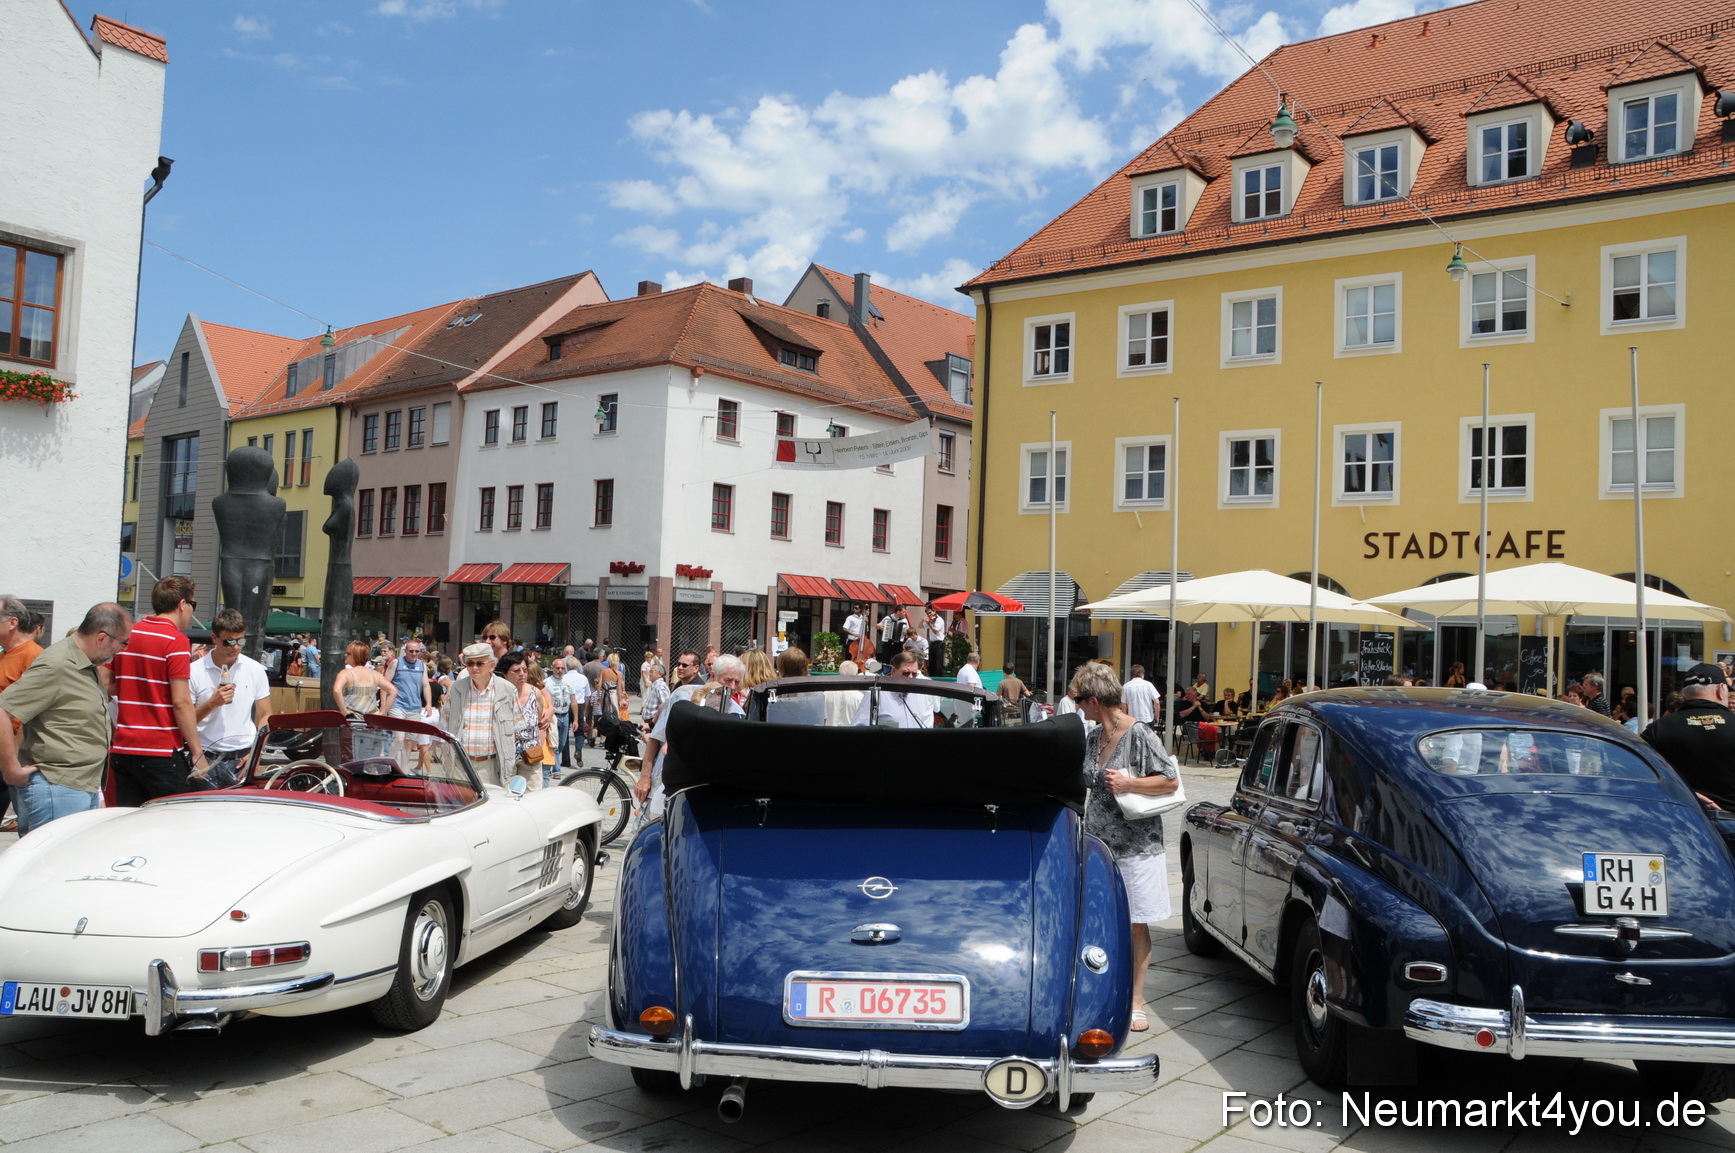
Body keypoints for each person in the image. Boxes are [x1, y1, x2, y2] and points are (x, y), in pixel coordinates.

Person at [1072, 661, 1180, 1034]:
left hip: (1137, 846)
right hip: (1098, 846)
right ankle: (1101, 995)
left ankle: (1135, 1002)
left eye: (1080, 700)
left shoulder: (1139, 733)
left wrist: (1130, 783)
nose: (1077, 706)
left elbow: (1170, 780)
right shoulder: (1093, 737)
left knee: (1135, 925)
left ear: (1095, 700)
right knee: (1099, 922)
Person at [0, 604, 132, 832]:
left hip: (76, 786)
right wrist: (11, 770)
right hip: (57, 788)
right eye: (123, 642)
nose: (122, 650)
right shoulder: (57, 664)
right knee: (52, 855)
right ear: (102, 638)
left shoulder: (85, 663)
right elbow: (3, 710)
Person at [111, 575, 209, 804]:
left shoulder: (129, 633)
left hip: (124, 747)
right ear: (182, 604)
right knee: (172, 817)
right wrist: (197, 751)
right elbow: (181, 702)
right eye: (193, 604)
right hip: (160, 749)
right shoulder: (175, 640)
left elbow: (107, 683)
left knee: (131, 818)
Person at [188, 608, 272, 787]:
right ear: (214, 638)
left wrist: (256, 753)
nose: (236, 646)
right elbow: (186, 721)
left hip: (243, 756)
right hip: (206, 755)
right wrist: (212, 704)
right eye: (229, 641)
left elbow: (266, 715)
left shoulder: (254, 669)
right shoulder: (194, 671)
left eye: (241, 641)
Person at [1642, 663, 1735, 810]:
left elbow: (1638, 773)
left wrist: (1687, 794)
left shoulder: (1659, 728)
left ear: (1684, 693)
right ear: (1721, 689)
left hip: (1681, 815)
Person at [0, 597, 46, 830]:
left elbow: (30, 712)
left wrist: (13, 759)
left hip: (12, 755)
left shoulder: (32, 656)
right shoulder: (6, 654)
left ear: (12, 623)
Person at [445, 642, 517, 787]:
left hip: (491, 766)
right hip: (461, 764)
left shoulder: (507, 690)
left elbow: (518, 727)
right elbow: (445, 723)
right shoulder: (456, 689)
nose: (474, 668)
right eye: (470, 663)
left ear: (492, 666)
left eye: (479, 663)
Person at [852, 650, 935, 728]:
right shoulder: (876, 695)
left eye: (914, 674)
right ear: (893, 671)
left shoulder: (921, 695)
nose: (910, 677)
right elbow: (859, 727)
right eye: (906, 673)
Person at [386, 637, 435, 769]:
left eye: (417, 651)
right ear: (405, 651)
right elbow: (385, 683)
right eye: (411, 651)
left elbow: (426, 686)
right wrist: (384, 706)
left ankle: (403, 768)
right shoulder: (396, 663)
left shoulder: (421, 665)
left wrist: (428, 704)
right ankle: (389, 763)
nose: (414, 654)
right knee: (399, 738)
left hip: (414, 708)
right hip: (397, 705)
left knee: (409, 742)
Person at [560, 656, 591, 767]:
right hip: (579, 704)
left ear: (567, 667)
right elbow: (587, 696)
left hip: (566, 705)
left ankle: (565, 760)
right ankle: (578, 750)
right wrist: (585, 710)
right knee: (580, 732)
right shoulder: (583, 678)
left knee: (565, 732)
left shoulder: (563, 678)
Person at [548, 657, 574, 776]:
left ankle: (553, 762)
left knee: (562, 743)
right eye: (557, 668)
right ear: (552, 668)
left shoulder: (568, 682)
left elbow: (573, 700)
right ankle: (556, 770)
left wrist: (576, 719)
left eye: (562, 668)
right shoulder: (547, 683)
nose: (560, 670)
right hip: (553, 716)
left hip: (565, 715)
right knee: (554, 743)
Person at [825, 660, 865, 727]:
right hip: (850, 732)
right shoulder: (860, 697)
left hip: (829, 731)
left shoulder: (826, 694)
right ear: (855, 675)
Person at [640, 660, 669, 730]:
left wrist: (652, 724)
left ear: (660, 674)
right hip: (650, 724)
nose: (649, 674)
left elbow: (665, 707)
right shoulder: (655, 686)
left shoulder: (661, 687)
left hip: (654, 724)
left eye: (651, 672)